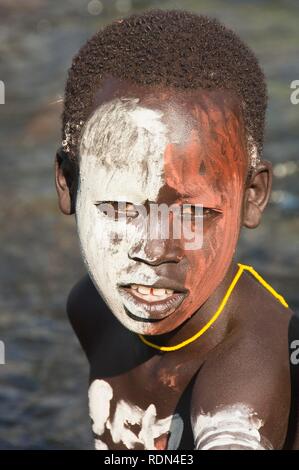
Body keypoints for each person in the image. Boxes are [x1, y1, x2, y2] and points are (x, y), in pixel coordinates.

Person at [55, 9, 299, 450]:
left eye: (191, 214)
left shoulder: (251, 369)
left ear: (252, 196)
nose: (153, 250)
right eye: (119, 207)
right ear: (69, 185)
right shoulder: (90, 308)